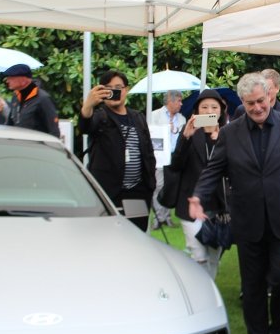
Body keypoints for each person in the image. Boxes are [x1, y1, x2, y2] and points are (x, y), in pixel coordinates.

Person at [190, 72, 280, 334]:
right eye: (250, 103)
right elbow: (214, 169)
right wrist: (198, 195)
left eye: (261, 101)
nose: (256, 107)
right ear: (242, 102)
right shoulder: (231, 132)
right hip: (248, 220)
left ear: (270, 96)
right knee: (252, 285)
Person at [79, 70, 156, 231]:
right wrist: (88, 105)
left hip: (138, 193)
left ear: (126, 90)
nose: (114, 91)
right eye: (109, 88)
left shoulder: (138, 117)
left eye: (118, 87)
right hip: (109, 193)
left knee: (137, 236)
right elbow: (85, 127)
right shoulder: (100, 116)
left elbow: (148, 152)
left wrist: (150, 184)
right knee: (108, 237)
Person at [169, 89, 228, 278]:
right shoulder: (190, 134)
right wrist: (185, 137)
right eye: (204, 107)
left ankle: (209, 292)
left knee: (213, 257)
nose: (209, 111)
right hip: (190, 204)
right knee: (199, 256)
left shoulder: (227, 135)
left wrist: (218, 142)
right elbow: (176, 165)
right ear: (197, 111)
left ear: (220, 111)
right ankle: (202, 294)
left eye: (213, 107)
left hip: (217, 208)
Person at [149, 90, 185, 229]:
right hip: (159, 157)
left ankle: (167, 217)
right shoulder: (154, 115)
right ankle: (159, 218)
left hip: (175, 157)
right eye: (179, 101)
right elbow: (151, 133)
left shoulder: (182, 118)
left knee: (170, 187)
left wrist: (175, 129)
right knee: (158, 186)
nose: (181, 104)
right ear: (170, 101)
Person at [3, 63, 60, 138]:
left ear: (23, 80)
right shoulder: (15, 97)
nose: (7, 81)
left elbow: (54, 131)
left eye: (11, 77)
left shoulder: (43, 99)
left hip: (36, 147)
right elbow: (10, 124)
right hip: (19, 145)